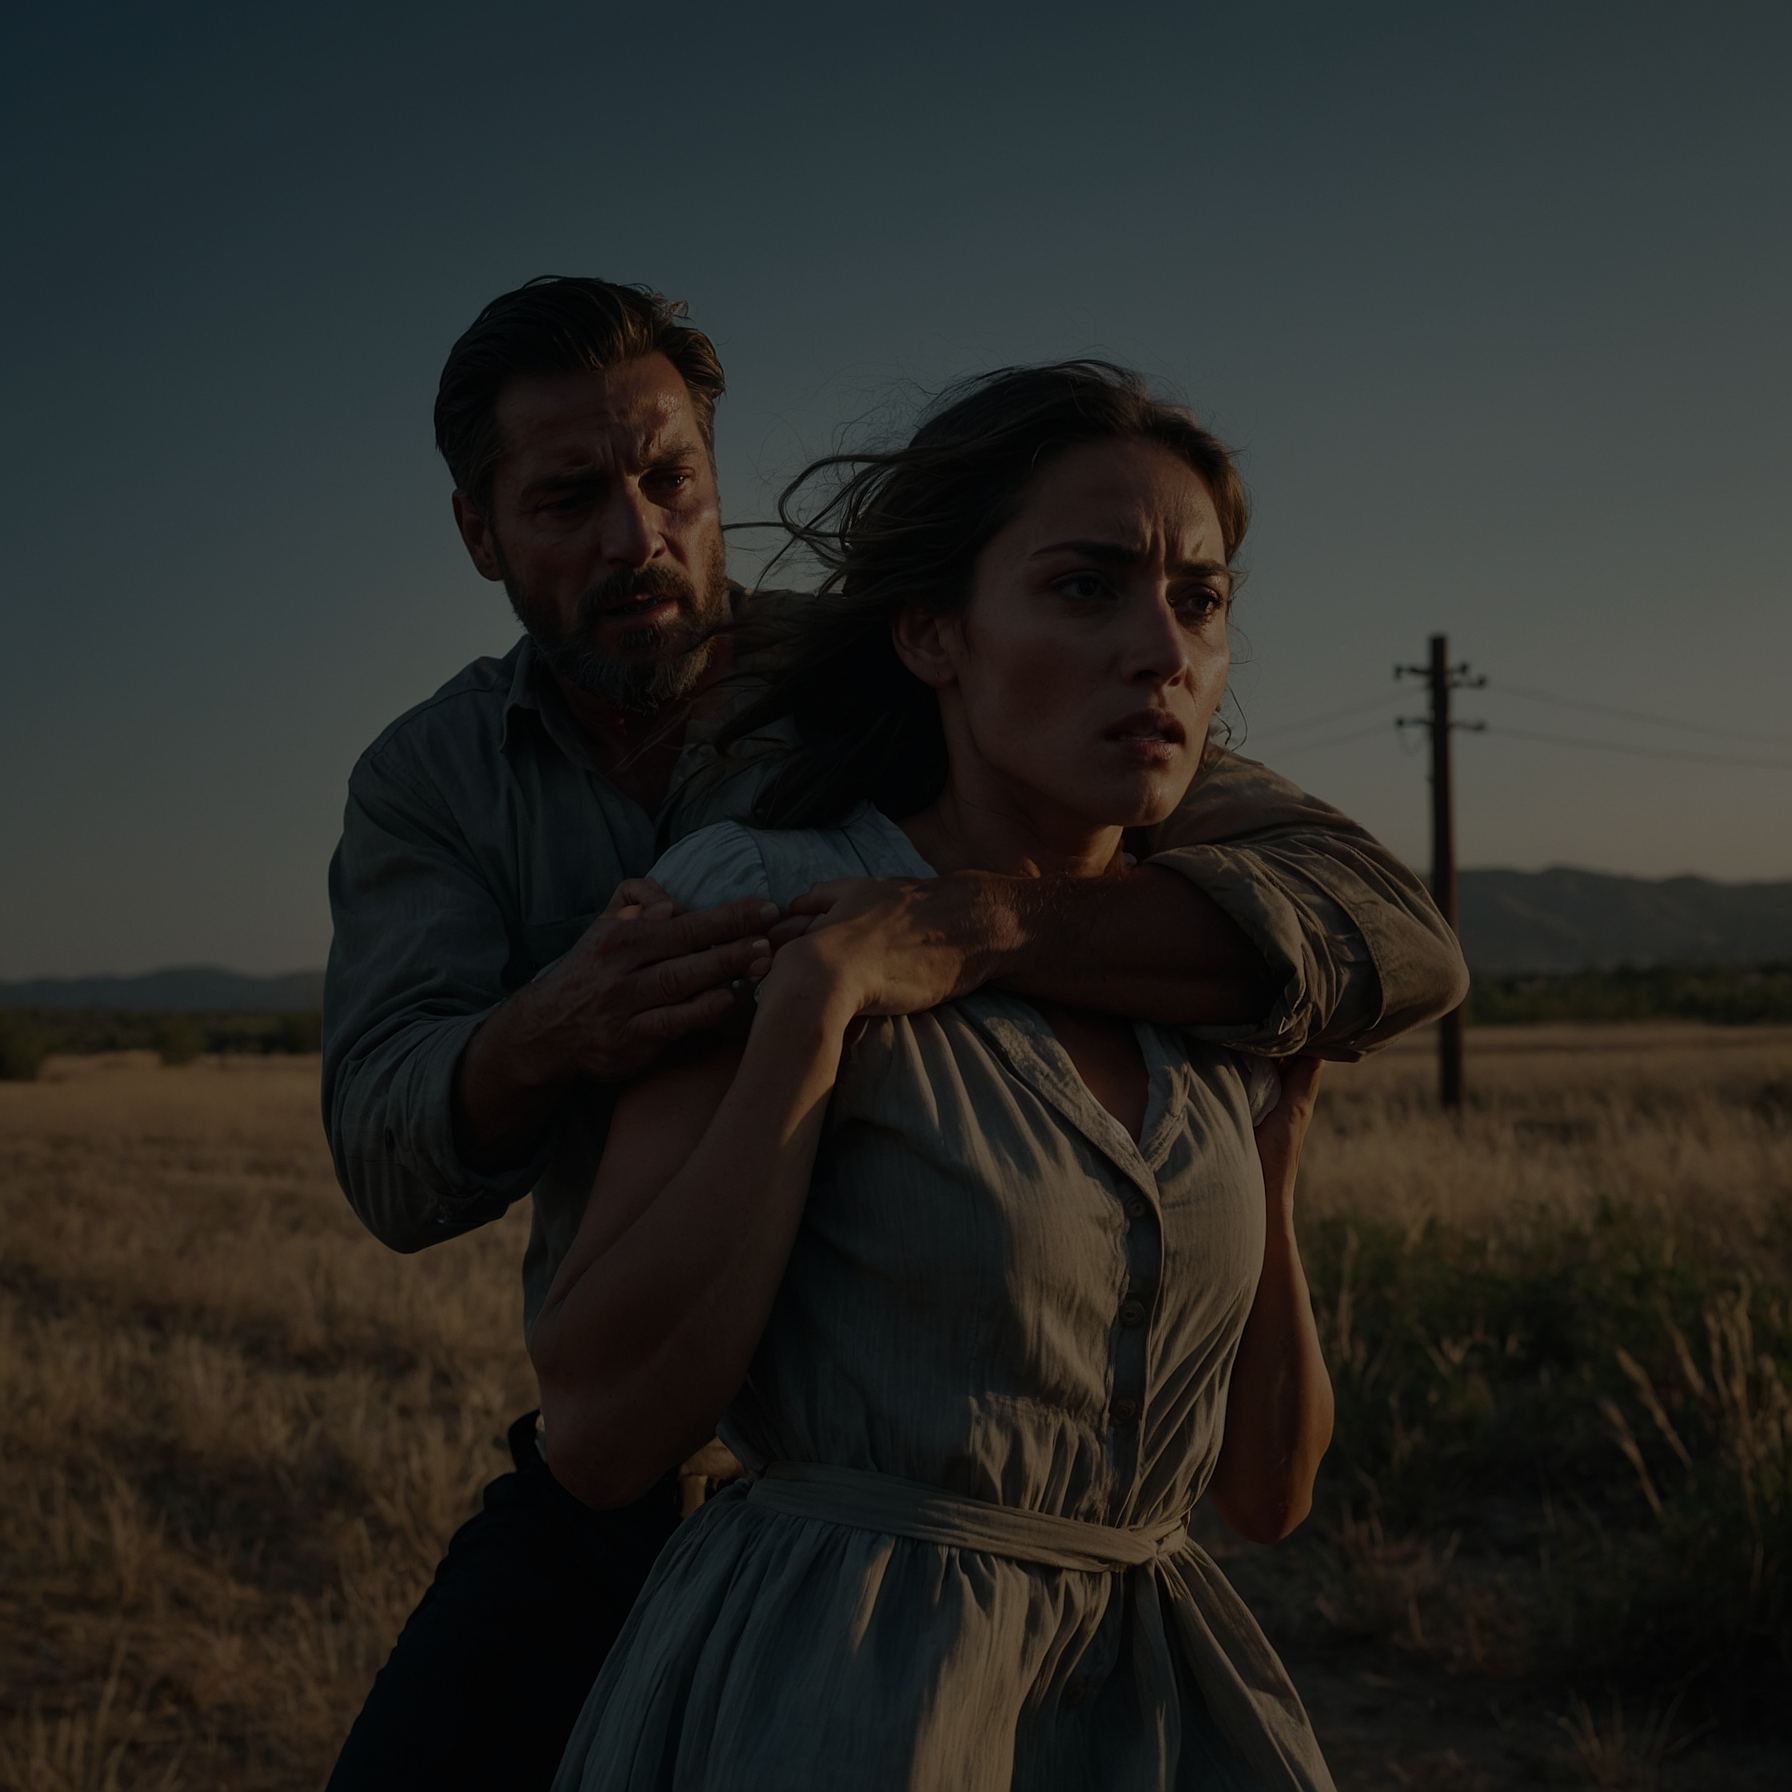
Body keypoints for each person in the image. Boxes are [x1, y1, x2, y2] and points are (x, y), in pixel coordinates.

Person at [321, 280, 1466, 1790]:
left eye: (670, 482)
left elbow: (1383, 929)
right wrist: (556, 1029)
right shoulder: (435, 779)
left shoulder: (907, 676)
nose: (636, 538)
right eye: (568, 499)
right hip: (673, 1448)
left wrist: (974, 927)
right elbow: (393, 1154)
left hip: (1053, 1548)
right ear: (482, 534)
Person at [530, 361, 1350, 1790]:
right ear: (932, 635)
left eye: (1199, 601)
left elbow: (1268, 1492)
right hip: (840, 1697)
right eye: (1087, 588)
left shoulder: (1192, 964)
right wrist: (815, 1013)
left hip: (1149, 1711)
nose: (1162, 650)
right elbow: (600, 1434)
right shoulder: (767, 897)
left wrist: (1273, 1160)